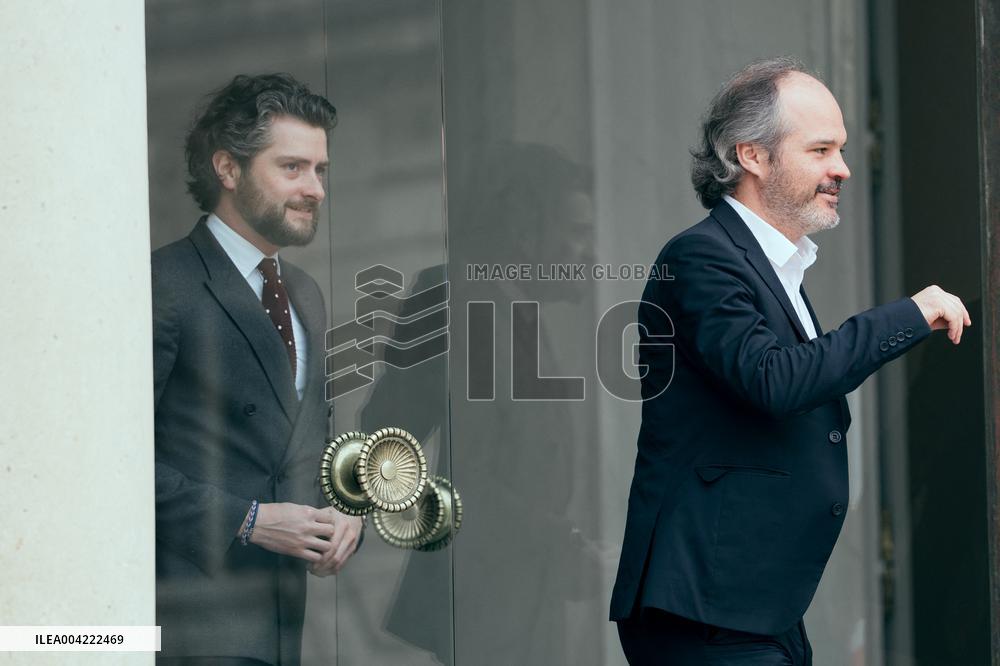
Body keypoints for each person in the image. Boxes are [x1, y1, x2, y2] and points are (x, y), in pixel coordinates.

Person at [609, 57, 971, 664]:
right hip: (704, 611)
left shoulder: (772, 265)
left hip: (752, 608)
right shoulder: (702, 257)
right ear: (752, 155)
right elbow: (775, 379)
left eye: (843, 149)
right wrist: (908, 314)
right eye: (822, 149)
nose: (843, 169)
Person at [152, 73, 363, 665]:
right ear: (227, 168)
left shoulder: (305, 292)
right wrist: (247, 522)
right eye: (292, 167)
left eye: (321, 170)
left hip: (281, 621)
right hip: (190, 625)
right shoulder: (162, 284)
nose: (315, 188)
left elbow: (302, 446)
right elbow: (110, 471)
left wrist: (345, 514)